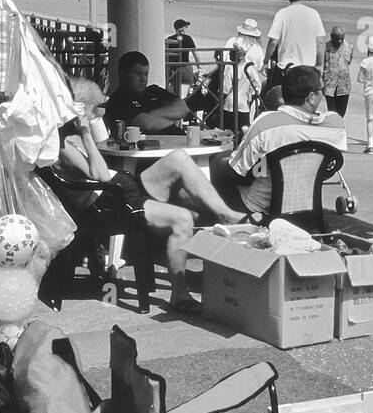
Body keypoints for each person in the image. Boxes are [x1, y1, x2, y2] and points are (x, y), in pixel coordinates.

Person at [56, 79, 245, 314]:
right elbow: (102, 175)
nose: (97, 114)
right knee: (184, 218)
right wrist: (86, 135)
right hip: (109, 202)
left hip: (119, 188)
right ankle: (179, 293)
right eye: (93, 109)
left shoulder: (70, 137)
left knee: (179, 158)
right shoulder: (63, 144)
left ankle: (225, 216)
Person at [208, 66, 348, 215]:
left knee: (215, 165)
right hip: (305, 208)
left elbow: (236, 172)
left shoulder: (266, 124)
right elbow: (329, 168)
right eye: (323, 89)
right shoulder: (335, 125)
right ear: (312, 96)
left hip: (259, 208)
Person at [103, 51, 191, 134]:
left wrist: (152, 115)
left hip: (180, 143)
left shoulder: (153, 90)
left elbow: (183, 108)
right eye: (137, 74)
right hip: (151, 147)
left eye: (146, 74)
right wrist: (174, 116)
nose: (143, 79)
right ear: (123, 74)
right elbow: (147, 124)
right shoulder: (117, 101)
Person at [263, 0, 326, 78]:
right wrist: (320, 65)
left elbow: (273, 41)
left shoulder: (282, 14)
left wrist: (266, 62)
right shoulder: (313, 14)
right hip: (308, 67)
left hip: (286, 67)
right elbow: (320, 43)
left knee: (282, 92)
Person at [217, 18, 265, 128]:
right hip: (246, 93)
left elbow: (222, 61)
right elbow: (259, 73)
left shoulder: (231, 42)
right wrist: (252, 96)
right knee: (245, 124)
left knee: (227, 127)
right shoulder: (257, 48)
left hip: (230, 94)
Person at [321, 25, 354, 117]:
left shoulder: (349, 47)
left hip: (344, 87)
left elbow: (349, 62)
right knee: (332, 114)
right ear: (331, 36)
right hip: (329, 86)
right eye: (337, 39)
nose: (339, 41)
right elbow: (321, 65)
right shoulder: (325, 47)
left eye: (341, 38)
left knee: (341, 114)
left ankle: (338, 130)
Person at [165, 19, 200, 92]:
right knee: (186, 90)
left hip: (172, 70)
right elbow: (195, 55)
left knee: (173, 91)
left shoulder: (169, 39)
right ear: (183, 28)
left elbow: (167, 56)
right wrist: (199, 67)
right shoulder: (188, 38)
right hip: (185, 68)